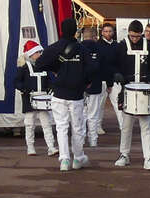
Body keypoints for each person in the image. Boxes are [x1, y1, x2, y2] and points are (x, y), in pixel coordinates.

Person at [38, 18, 94, 172]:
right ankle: (77, 157)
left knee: (61, 127)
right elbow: (91, 69)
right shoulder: (82, 49)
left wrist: (55, 69)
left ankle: (64, 159)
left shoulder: (55, 47)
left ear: (61, 30)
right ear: (76, 31)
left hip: (59, 93)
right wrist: (85, 82)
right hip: (76, 94)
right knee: (77, 127)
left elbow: (39, 64)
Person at [114, 19, 150, 170]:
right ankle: (124, 155)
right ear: (128, 33)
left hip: (145, 91)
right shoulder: (121, 46)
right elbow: (113, 65)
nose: (135, 39)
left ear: (142, 34)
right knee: (126, 126)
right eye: (132, 36)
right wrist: (117, 74)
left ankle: (148, 158)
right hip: (127, 90)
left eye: (137, 36)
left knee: (146, 126)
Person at [14, 39, 58, 156]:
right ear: (31, 54)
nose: (40, 54)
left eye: (40, 52)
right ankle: (30, 147)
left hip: (43, 99)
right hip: (29, 100)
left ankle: (51, 147)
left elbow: (49, 81)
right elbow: (17, 82)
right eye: (37, 52)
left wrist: (50, 88)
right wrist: (23, 89)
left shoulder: (43, 66)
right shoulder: (24, 67)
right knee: (29, 124)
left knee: (46, 124)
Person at [96, 22, 122, 133]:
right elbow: (100, 65)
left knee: (118, 104)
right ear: (102, 32)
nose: (108, 33)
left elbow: (120, 63)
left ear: (113, 32)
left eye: (110, 31)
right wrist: (107, 82)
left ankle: (123, 126)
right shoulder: (97, 45)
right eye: (106, 31)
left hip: (115, 80)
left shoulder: (117, 45)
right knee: (99, 106)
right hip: (102, 80)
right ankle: (97, 126)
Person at [80, 26, 102, 146]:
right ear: (95, 37)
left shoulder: (77, 48)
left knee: (81, 115)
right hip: (95, 85)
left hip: (80, 85)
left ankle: (81, 139)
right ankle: (93, 139)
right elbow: (102, 67)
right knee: (93, 114)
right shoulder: (99, 48)